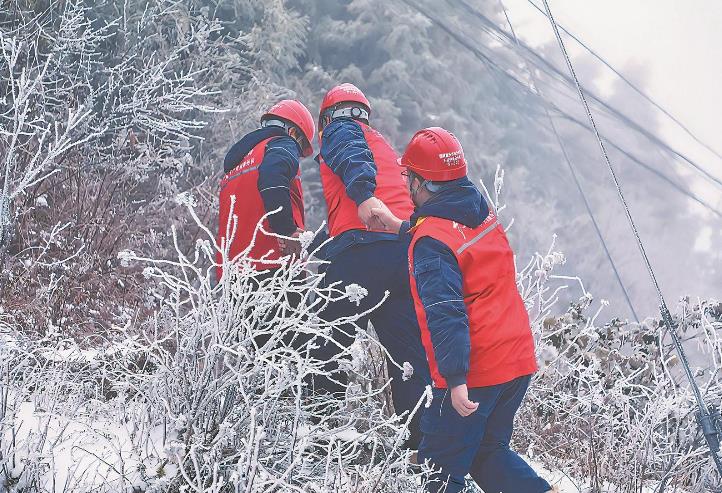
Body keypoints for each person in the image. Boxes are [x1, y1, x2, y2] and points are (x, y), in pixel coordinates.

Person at [372, 127, 554, 492]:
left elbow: (445, 311)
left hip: (476, 371)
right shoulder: (478, 209)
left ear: (422, 182)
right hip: (517, 359)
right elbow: (452, 239)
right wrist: (402, 227)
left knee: (439, 469)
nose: (406, 183)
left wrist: (456, 381)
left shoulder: (431, 243)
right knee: (487, 452)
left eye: (408, 176)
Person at [311, 83, 430, 449]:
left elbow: (351, 158)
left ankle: (314, 438)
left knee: (326, 345)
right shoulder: (386, 148)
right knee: (409, 357)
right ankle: (420, 449)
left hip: (361, 252)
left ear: (328, 117)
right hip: (403, 255)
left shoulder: (340, 129)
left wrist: (363, 195)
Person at [217, 99, 314, 280]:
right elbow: (273, 175)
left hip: (233, 273)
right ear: (292, 132)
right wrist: (287, 231)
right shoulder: (283, 144)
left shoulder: (235, 167)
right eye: (299, 149)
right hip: (275, 264)